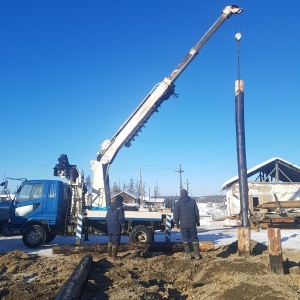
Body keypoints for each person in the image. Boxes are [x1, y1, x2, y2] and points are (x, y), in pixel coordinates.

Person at [174, 189, 201, 259]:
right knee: (194, 238)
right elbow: (197, 213)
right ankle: (197, 255)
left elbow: (176, 214)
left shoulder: (178, 203)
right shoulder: (193, 201)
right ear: (187, 194)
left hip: (183, 224)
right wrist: (198, 222)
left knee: (185, 238)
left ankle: (188, 255)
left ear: (181, 194)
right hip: (192, 223)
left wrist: (177, 223)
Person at [106, 195, 126, 260]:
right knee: (115, 241)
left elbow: (106, 216)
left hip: (109, 226)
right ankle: (114, 257)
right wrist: (123, 227)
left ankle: (109, 255)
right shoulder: (120, 208)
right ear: (120, 201)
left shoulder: (110, 206)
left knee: (110, 240)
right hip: (116, 226)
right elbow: (121, 219)